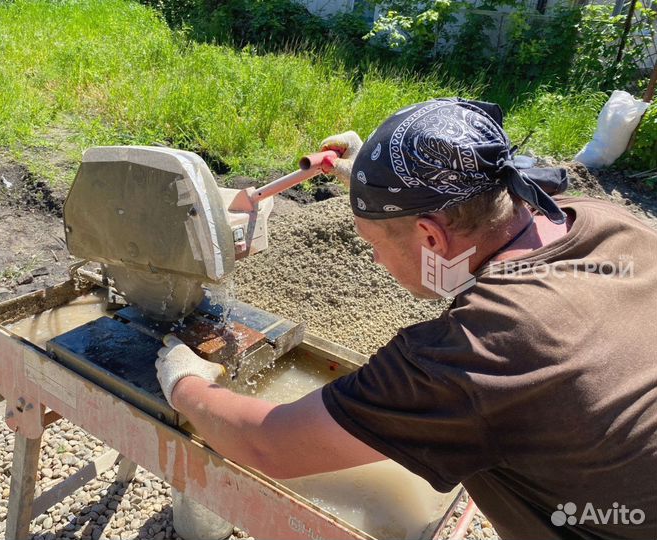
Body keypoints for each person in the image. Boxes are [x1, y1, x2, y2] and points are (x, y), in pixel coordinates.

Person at [155, 98, 657, 540]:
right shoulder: (607, 222)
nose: (376, 260)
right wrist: (381, 185)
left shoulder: (476, 352)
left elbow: (267, 446)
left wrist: (188, 384)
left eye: (374, 245)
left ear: (431, 237)